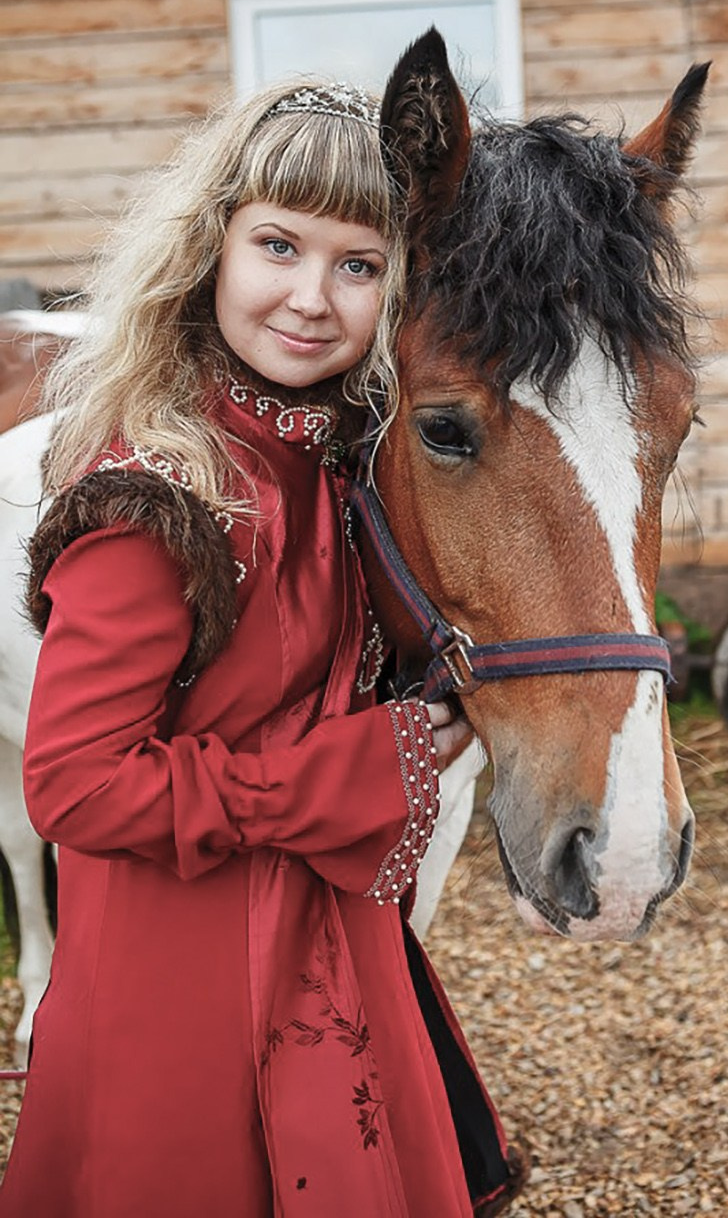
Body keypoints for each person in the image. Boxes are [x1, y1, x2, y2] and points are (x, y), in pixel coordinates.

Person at [0, 78, 524, 1216]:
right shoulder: (156, 500)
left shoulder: (331, 463)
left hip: (317, 954)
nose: (310, 297)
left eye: (358, 263)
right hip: (177, 989)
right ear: (211, 248)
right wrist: (351, 770)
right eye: (278, 245)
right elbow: (74, 785)